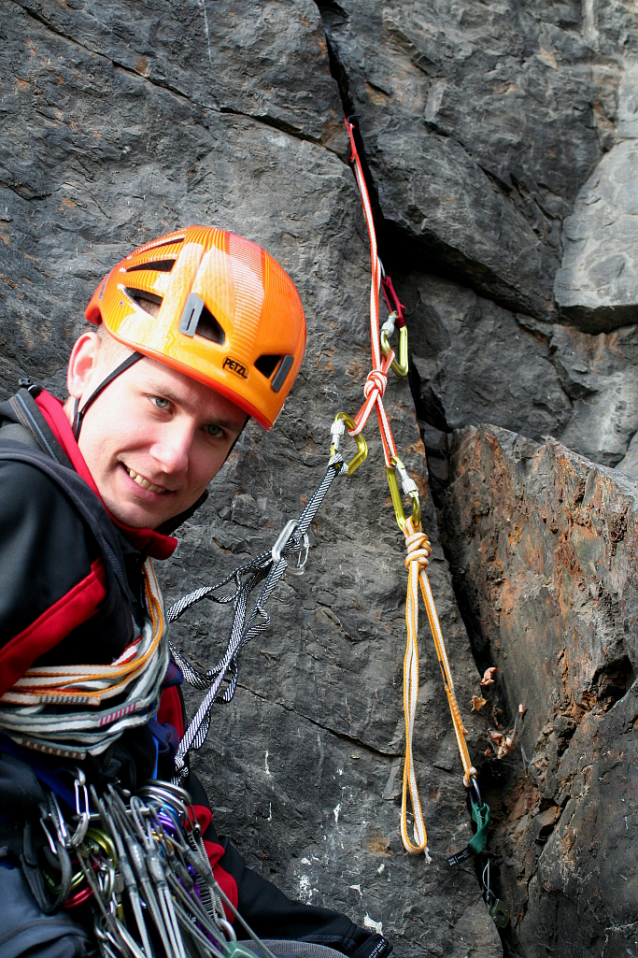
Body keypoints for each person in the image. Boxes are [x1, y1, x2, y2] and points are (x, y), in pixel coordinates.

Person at [0, 225, 391, 958]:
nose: (175, 456)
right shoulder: (28, 501)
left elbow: (168, 802)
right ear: (87, 367)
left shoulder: (119, 575)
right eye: (158, 402)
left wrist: (337, 941)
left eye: (214, 431)